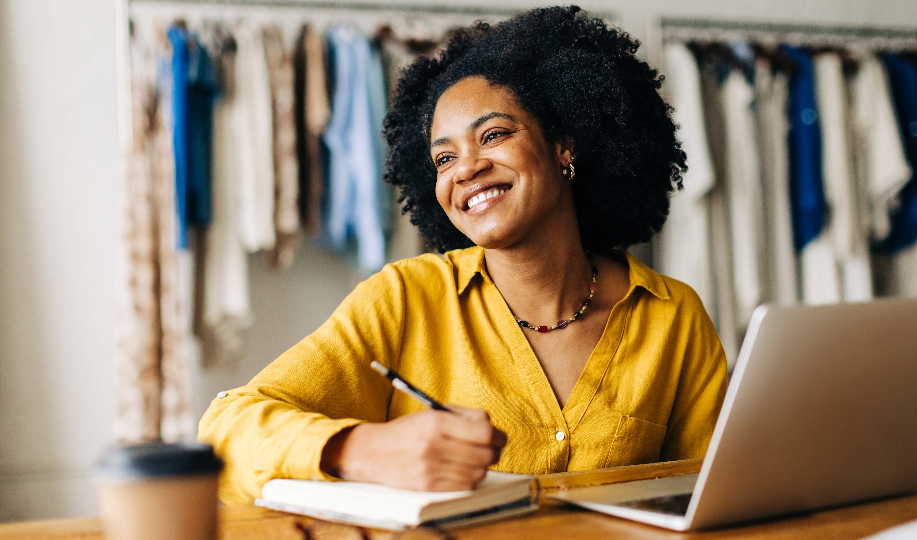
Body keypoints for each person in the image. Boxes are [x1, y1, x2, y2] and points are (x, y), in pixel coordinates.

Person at [199, 6, 727, 504]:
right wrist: (362, 450)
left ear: (565, 144)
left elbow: (714, 496)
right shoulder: (404, 300)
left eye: (493, 135)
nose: (464, 170)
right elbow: (225, 429)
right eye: (443, 158)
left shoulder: (674, 317)